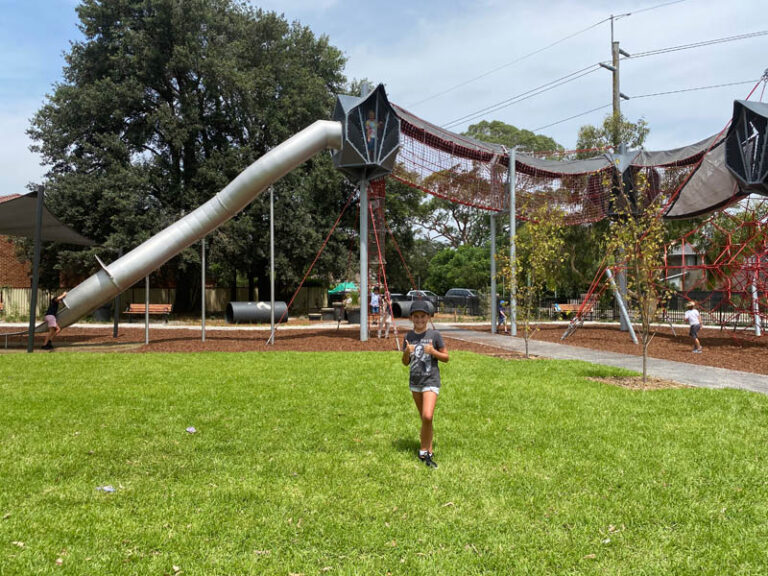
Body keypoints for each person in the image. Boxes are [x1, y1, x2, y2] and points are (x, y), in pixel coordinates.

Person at [401, 300, 449, 468]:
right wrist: (406, 352)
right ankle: (429, 449)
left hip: (431, 380)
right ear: (411, 318)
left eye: (423, 316)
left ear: (428, 317)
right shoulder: (408, 337)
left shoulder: (435, 335)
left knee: (428, 416)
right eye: (416, 316)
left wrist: (433, 351)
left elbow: (446, 357)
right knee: (424, 418)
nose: (419, 320)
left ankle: (423, 451)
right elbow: (405, 362)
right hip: (415, 382)